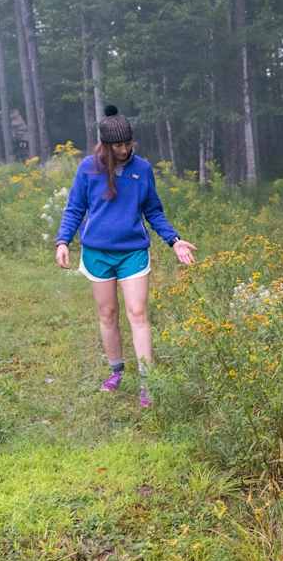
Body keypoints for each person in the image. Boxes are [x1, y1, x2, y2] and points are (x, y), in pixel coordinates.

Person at [54, 106, 197, 407]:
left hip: (133, 252)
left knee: (138, 313)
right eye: (117, 145)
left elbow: (153, 210)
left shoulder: (142, 169)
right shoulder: (88, 169)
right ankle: (116, 370)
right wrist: (63, 241)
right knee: (108, 314)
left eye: (127, 143)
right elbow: (75, 208)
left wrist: (174, 240)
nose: (123, 149)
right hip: (97, 253)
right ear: (105, 145)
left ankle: (148, 383)